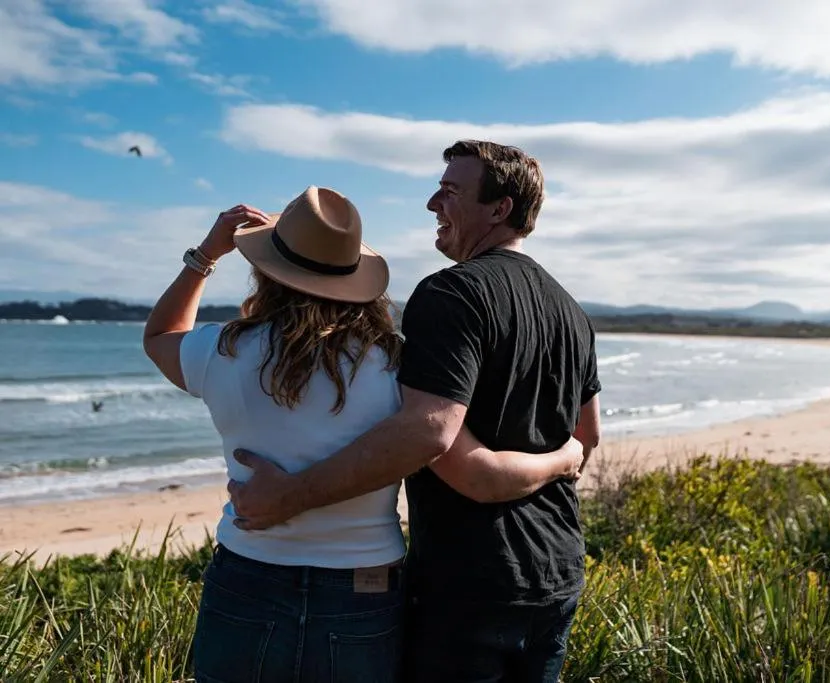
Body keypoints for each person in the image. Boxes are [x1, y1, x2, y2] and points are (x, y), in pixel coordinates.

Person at [141, 185, 585, 682]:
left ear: (266, 272)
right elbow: (449, 444)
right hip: (365, 584)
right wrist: (564, 456)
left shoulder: (222, 350)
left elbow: (159, 336)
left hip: (250, 571)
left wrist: (205, 256)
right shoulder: (401, 364)